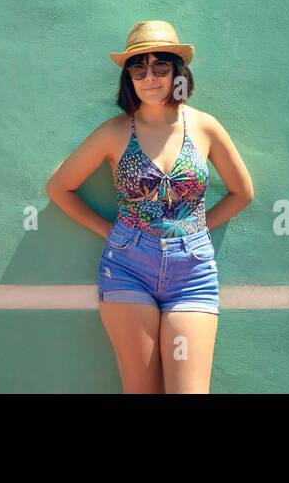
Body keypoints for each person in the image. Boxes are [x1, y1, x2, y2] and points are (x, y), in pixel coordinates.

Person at [45, 20, 255, 393]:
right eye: (139, 68)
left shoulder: (204, 127)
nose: (150, 77)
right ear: (129, 78)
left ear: (178, 73)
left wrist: (199, 229)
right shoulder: (114, 132)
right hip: (128, 269)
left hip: (192, 273)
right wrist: (110, 231)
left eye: (161, 66)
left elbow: (242, 192)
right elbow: (61, 188)